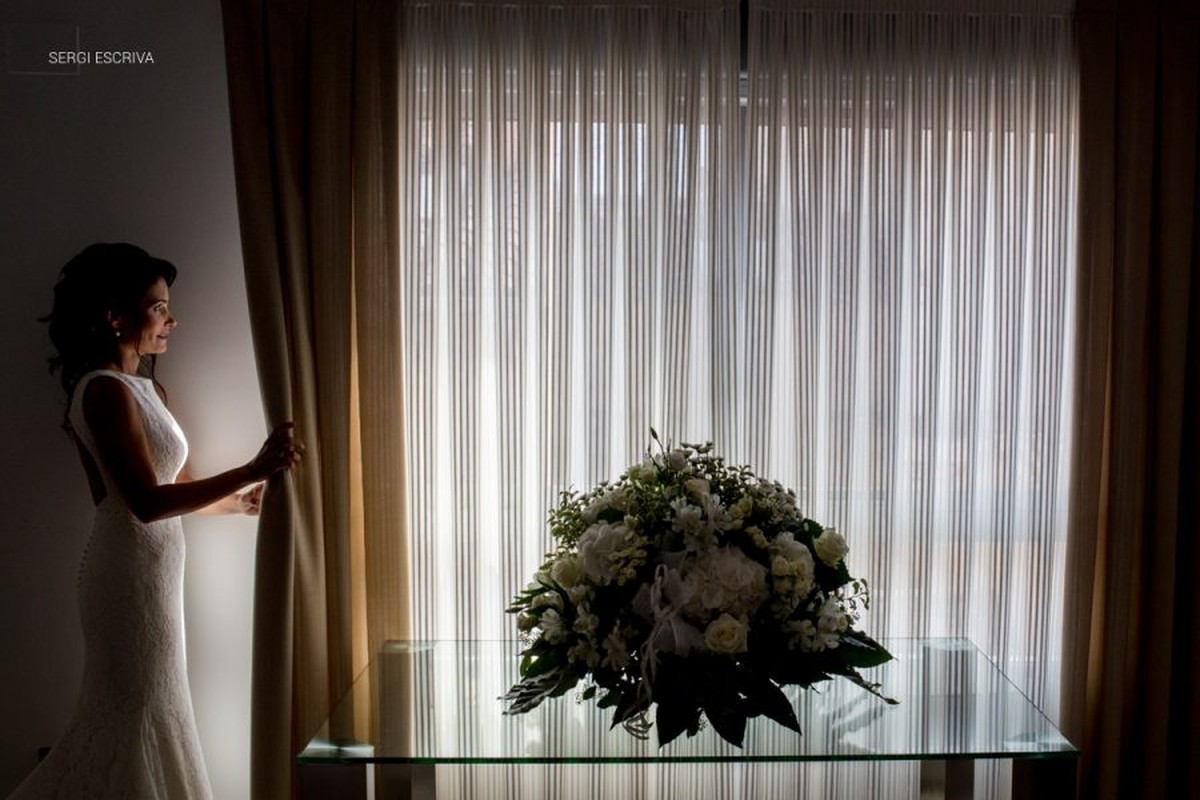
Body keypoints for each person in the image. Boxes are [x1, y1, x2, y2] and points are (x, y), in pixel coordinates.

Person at [7, 243, 303, 800]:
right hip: (125, 576)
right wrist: (251, 466)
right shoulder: (100, 391)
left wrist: (241, 500)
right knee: (132, 710)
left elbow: (180, 487)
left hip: (156, 575)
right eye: (158, 307)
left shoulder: (147, 389)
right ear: (115, 316)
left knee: (159, 704)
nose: (172, 319)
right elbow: (144, 503)